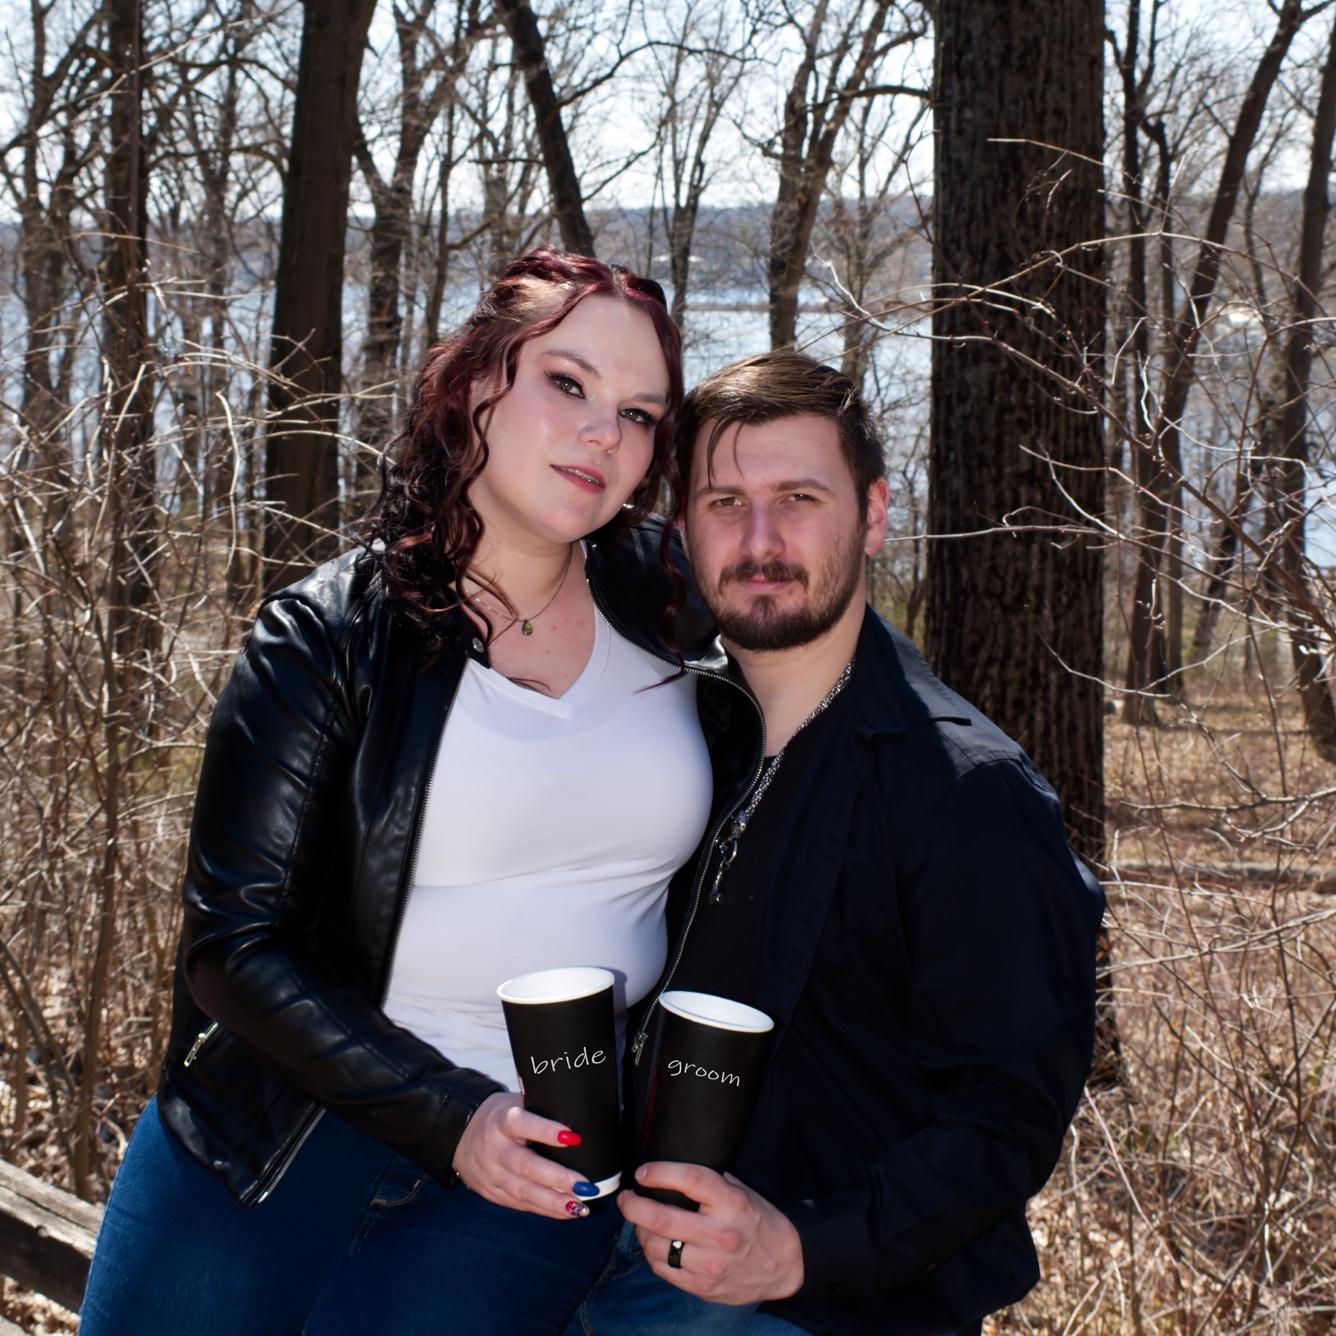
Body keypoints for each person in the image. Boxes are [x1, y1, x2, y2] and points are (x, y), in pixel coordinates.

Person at [79, 248, 717, 1336]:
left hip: (543, 1154)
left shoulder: (680, 609)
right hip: (279, 1129)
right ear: (475, 383)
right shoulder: (327, 636)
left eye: (640, 414)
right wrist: (451, 1118)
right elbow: (233, 944)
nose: (603, 433)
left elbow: (838, 672)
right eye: (566, 382)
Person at [569, 351, 1106, 1336]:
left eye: (799, 498)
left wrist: (799, 1250)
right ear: (682, 527)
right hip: (604, 1238)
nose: (760, 540)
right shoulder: (675, 741)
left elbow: (1006, 1115)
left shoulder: (964, 792)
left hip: (821, 1301)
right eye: (724, 502)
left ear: (874, 513)